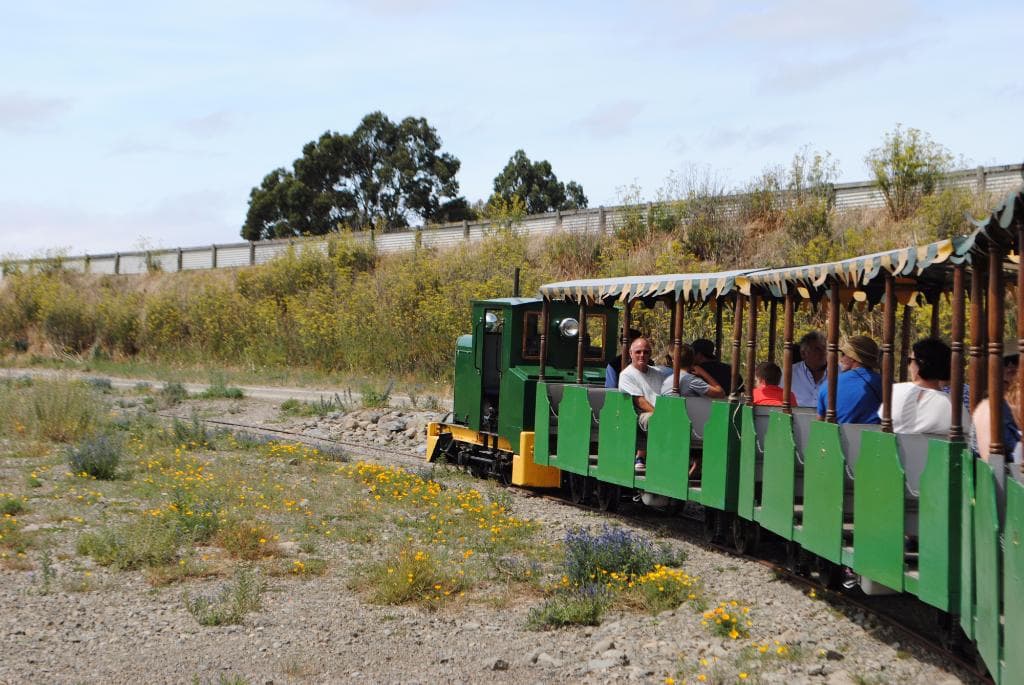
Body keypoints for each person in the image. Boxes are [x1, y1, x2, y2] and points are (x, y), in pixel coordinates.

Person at [617, 337, 670, 473]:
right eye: (638, 352)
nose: (642, 355)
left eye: (646, 352)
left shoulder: (658, 373)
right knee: (656, 421)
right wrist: (660, 414)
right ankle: (659, 459)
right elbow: (640, 401)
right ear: (630, 354)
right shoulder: (627, 375)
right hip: (641, 414)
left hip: (659, 411)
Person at [886, 338, 952, 433]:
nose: (909, 367)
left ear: (921, 363)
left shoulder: (894, 392)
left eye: (910, 361)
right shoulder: (955, 409)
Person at [817, 335, 882, 424]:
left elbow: (820, 425)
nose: (841, 359)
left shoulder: (827, 386)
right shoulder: (887, 385)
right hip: (875, 437)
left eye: (843, 354)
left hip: (838, 437)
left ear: (853, 358)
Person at [660, 344, 726, 399]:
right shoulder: (690, 380)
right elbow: (720, 393)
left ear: (674, 361)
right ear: (693, 360)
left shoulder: (668, 379)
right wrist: (702, 372)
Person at [793, 332, 827, 407]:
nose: (823, 353)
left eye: (824, 348)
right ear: (803, 353)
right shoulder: (789, 374)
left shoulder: (839, 372)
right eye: (817, 349)